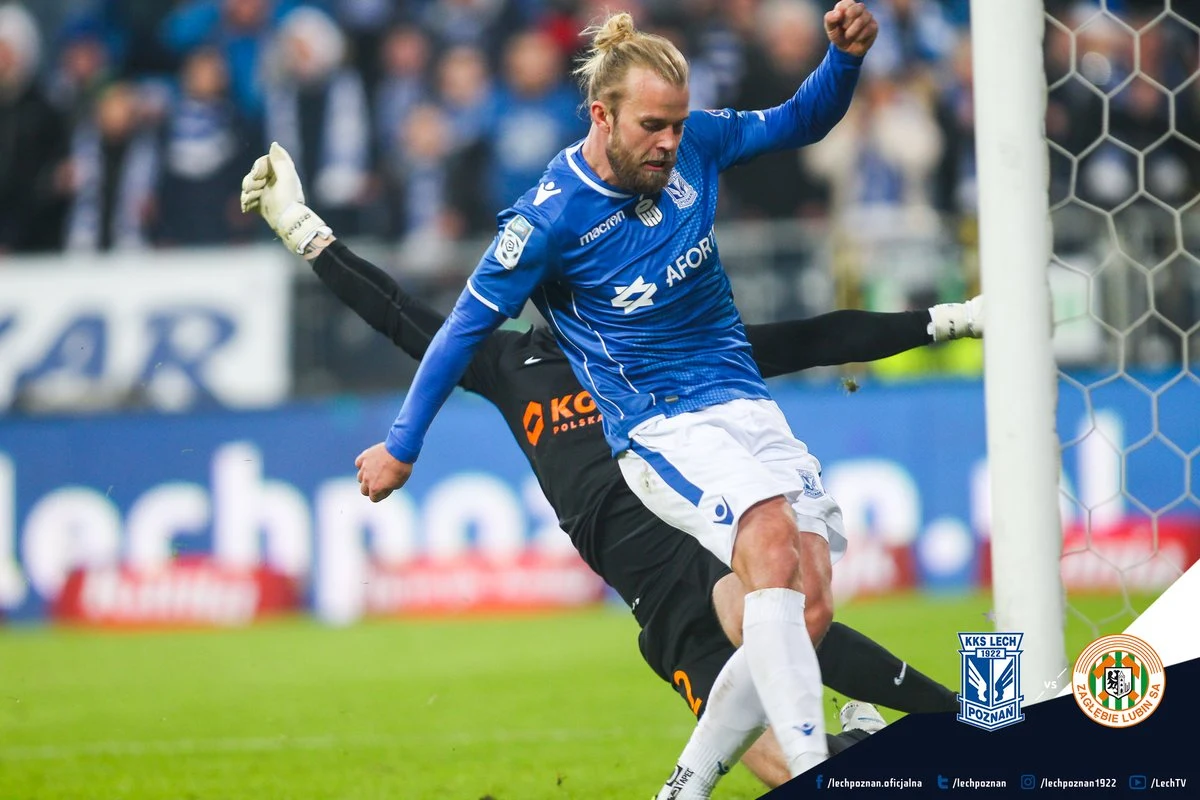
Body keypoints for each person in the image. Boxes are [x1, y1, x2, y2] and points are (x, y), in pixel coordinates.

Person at [249, 5, 883, 793]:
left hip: (715, 463)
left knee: (808, 600)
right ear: (601, 115)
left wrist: (843, 60)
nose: (670, 142)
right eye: (653, 125)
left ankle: (909, 731)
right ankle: (861, 751)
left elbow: (798, 125)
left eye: (677, 124)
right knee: (773, 592)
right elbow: (431, 325)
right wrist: (401, 440)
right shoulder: (526, 307)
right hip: (658, 543)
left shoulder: (689, 166)